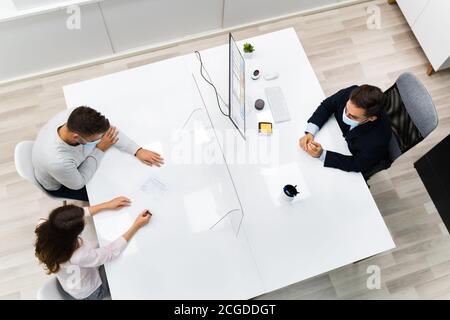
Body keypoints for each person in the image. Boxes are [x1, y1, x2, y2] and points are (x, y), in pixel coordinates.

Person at [32, 106, 164, 202]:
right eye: (95, 139)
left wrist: (137, 150)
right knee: (116, 194)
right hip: (61, 183)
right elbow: (79, 182)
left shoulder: (73, 117)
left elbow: (108, 131)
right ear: (77, 137)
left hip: (68, 165)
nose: (102, 138)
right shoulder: (58, 161)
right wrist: (100, 149)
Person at [34, 196, 151, 300]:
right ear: (73, 235)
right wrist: (136, 225)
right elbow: (111, 252)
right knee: (126, 258)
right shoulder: (79, 255)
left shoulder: (42, 226)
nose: (84, 220)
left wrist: (107, 204)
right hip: (92, 292)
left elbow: (71, 218)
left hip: (72, 286)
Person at [299, 85, 392, 178]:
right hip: (337, 135)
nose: (346, 115)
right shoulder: (351, 93)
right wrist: (310, 132)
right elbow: (327, 105)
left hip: (354, 152)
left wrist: (322, 155)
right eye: (346, 109)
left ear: (371, 118)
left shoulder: (378, 139)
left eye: (353, 116)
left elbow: (358, 164)